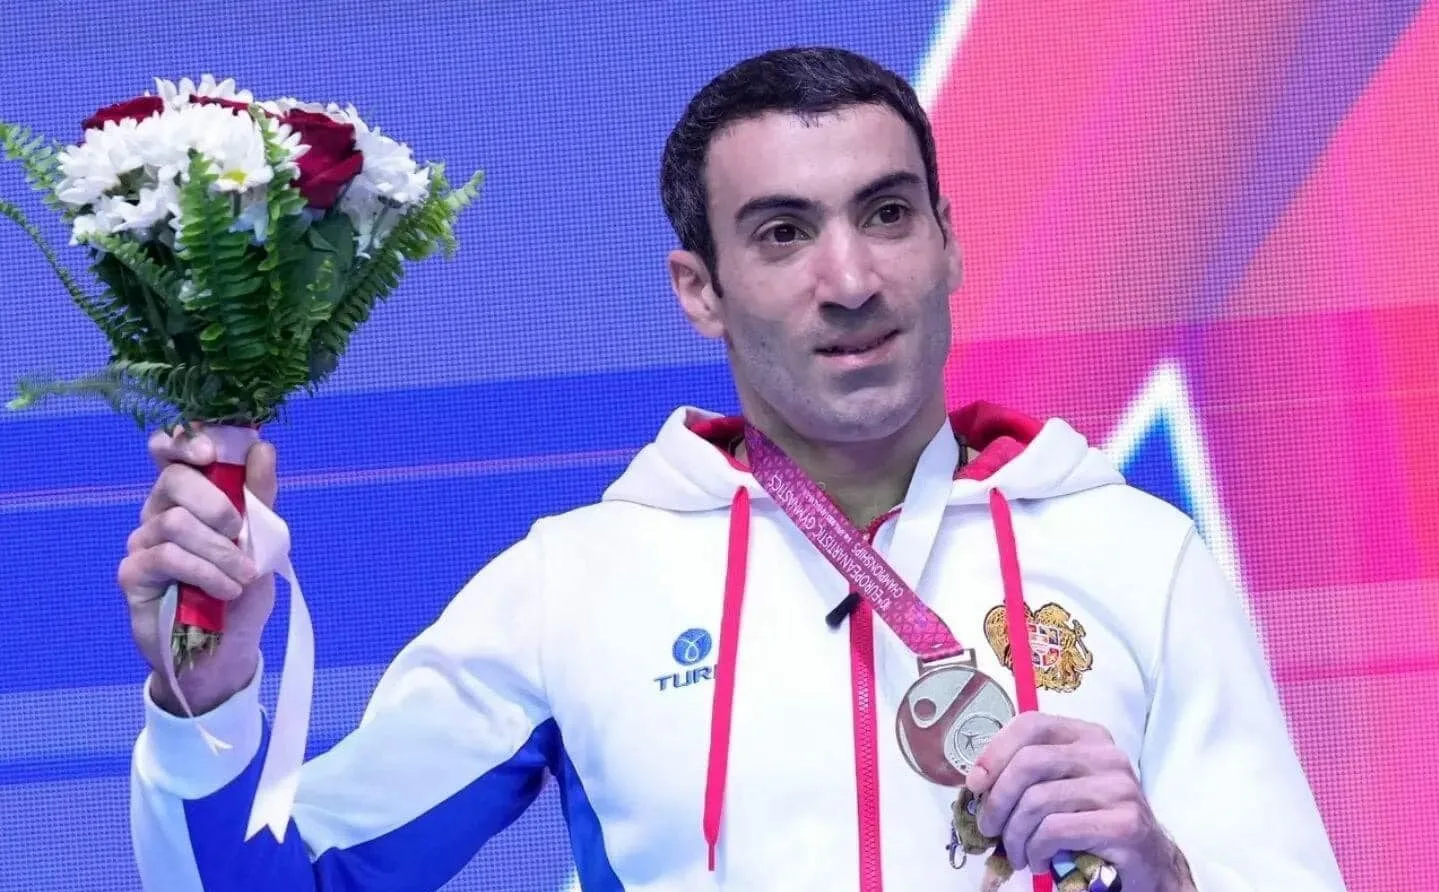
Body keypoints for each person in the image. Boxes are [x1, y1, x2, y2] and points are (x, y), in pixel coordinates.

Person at [122, 47, 1347, 892]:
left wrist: (1164, 873)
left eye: (886, 214)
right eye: (781, 233)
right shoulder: (578, 585)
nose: (849, 279)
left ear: (947, 241)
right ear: (698, 290)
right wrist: (206, 707)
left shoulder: (1129, 552)